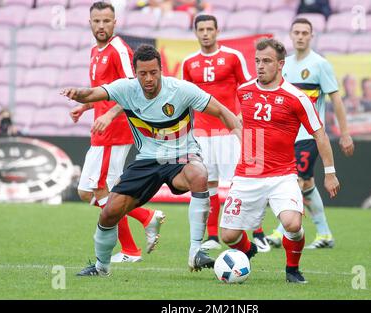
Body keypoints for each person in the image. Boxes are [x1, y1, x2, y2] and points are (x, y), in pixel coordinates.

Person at [62, 44, 242, 276]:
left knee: (199, 174)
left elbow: (221, 111)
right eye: (143, 74)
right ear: (135, 73)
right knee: (109, 212)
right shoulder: (126, 89)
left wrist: (242, 137)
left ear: (161, 69)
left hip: (181, 157)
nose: (148, 79)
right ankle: (101, 267)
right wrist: (77, 93)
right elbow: (94, 93)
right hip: (147, 160)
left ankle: (195, 252)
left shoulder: (181, 90)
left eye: (153, 72)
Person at [220, 38, 340, 284]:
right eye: (257, 61)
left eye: (266, 61)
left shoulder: (296, 97)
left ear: (280, 64)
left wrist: (330, 172)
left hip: (282, 175)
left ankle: (292, 270)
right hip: (247, 174)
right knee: (229, 236)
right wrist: (245, 140)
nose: (260, 66)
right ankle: (248, 251)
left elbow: (319, 133)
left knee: (292, 224)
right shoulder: (244, 91)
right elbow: (238, 121)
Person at [69, 1, 165, 264]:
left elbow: (133, 88)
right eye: (97, 21)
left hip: (114, 130)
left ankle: (140, 229)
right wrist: (85, 107)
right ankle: (135, 240)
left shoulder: (119, 49)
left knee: (96, 191)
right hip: (102, 127)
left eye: (106, 21)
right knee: (96, 192)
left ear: (115, 22)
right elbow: (104, 90)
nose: (101, 25)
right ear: (90, 23)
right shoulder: (95, 51)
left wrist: (110, 114)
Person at [181, 15, 271, 252]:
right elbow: (184, 99)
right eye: (201, 29)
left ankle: (258, 233)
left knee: (241, 183)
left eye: (210, 28)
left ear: (217, 31)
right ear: (195, 32)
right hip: (202, 133)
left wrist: (241, 117)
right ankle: (212, 235)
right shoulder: (189, 62)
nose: (206, 33)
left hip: (229, 131)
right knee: (207, 183)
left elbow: (249, 88)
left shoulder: (232, 57)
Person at [266, 18, 354, 250]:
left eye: (305, 32)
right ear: (291, 35)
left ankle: (281, 230)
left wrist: (345, 133)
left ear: (311, 36)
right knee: (304, 183)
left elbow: (336, 100)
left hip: (309, 135)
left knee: (299, 180)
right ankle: (324, 233)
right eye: (297, 32)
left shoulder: (320, 65)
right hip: (285, 135)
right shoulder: (283, 65)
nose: (301, 36)